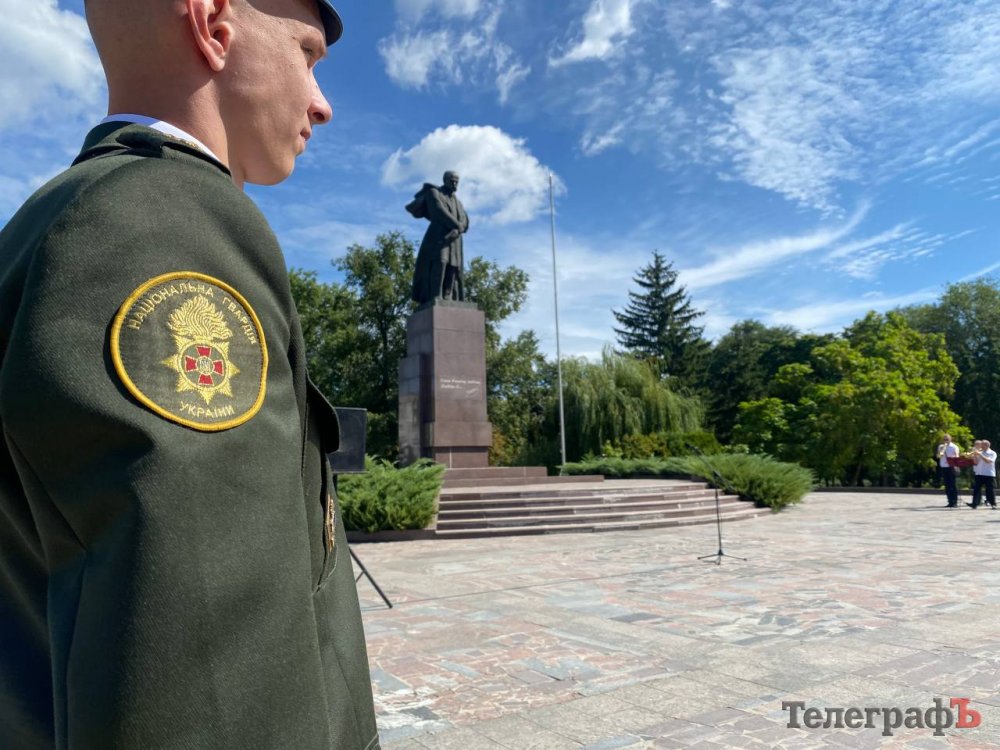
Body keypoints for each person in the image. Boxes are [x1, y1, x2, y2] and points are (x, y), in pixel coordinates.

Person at [0, 1, 380, 748]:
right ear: (212, 26)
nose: (322, 104)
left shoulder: (52, 219)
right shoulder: (163, 220)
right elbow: (209, 677)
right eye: (307, 54)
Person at [407, 170, 470, 304]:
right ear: (445, 180)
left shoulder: (458, 202)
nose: (455, 184)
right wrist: (458, 226)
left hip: (455, 239)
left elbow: (465, 218)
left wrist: (459, 229)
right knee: (440, 262)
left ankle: (447, 297)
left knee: (453, 267)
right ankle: (436, 295)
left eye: (457, 182)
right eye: (452, 181)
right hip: (439, 237)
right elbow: (439, 212)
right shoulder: (434, 193)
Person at [968, 439, 997, 509]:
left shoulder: (992, 453)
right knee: (976, 489)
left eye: (982, 445)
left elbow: (988, 461)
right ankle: (974, 504)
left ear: (987, 445)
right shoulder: (980, 452)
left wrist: (980, 454)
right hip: (979, 473)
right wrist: (974, 456)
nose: (980, 446)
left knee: (990, 490)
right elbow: (976, 462)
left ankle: (993, 504)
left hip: (988, 474)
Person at [936, 433, 960, 508]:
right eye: (944, 439)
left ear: (950, 439)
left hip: (951, 467)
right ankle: (950, 501)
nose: (945, 441)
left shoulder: (954, 447)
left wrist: (953, 459)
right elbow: (939, 456)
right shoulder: (941, 446)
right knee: (947, 485)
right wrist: (943, 449)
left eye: (947, 439)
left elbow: (957, 456)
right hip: (944, 467)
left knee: (953, 485)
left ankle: (955, 502)